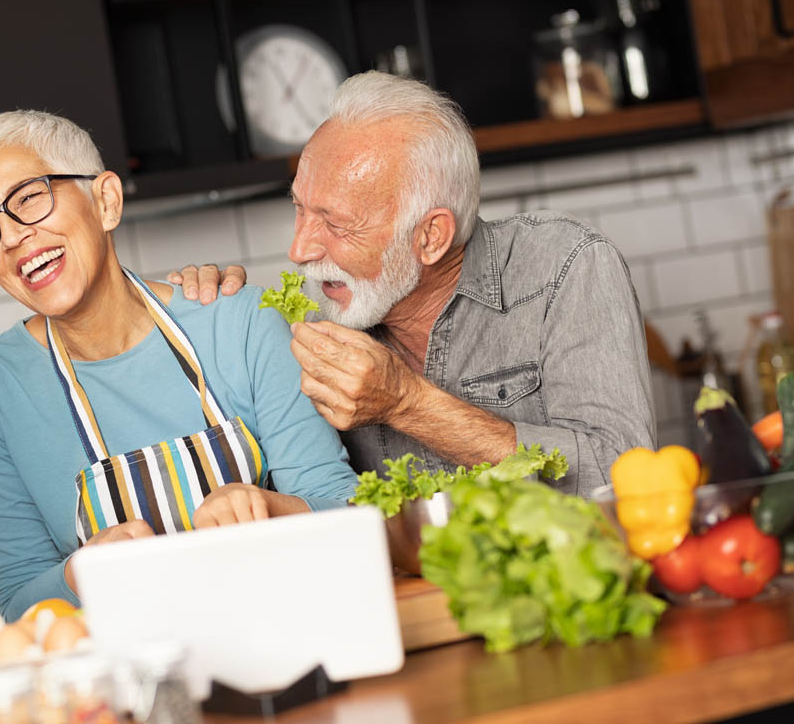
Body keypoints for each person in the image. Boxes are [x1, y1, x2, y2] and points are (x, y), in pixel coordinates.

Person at [0, 110, 358, 621]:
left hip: (294, 631)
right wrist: (84, 571)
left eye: (29, 198)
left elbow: (345, 507)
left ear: (106, 201)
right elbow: (16, 597)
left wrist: (267, 509)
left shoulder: (240, 321)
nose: (10, 238)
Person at [170, 71, 655, 497]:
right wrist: (212, 327)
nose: (300, 251)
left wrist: (407, 403)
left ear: (430, 236)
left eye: (336, 225)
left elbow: (626, 479)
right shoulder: (316, 323)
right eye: (300, 208)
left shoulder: (564, 268)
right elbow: (292, 496)